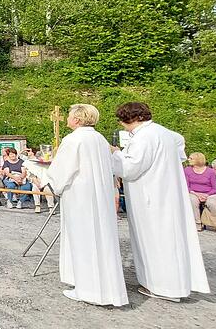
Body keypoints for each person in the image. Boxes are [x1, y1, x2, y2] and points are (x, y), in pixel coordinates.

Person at [111, 102, 209, 301]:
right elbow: (180, 144)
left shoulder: (144, 137)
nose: (123, 125)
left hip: (151, 196)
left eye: (123, 121)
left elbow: (129, 168)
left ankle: (163, 287)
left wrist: (114, 153)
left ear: (133, 118)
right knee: (170, 239)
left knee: (155, 240)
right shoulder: (164, 132)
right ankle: (174, 284)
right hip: (167, 193)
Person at [48, 104, 128, 306]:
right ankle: (102, 286)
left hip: (80, 196)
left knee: (83, 239)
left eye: (69, 115)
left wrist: (48, 181)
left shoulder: (73, 139)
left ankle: (88, 290)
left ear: (76, 119)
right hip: (99, 195)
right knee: (100, 238)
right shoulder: (99, 139)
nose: (66, 118)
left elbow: (62, 170)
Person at [184, 153, 216, 235]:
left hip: (209, 193)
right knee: (192, 200)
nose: (188, 160)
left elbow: (215, 188)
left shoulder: (210, 171)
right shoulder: (187, 170)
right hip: (193, 192)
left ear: (198, 160)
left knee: (212, 203)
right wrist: (197, 194)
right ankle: (197, 224)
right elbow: (186, 186)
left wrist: (206, 195)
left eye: (191, 158)